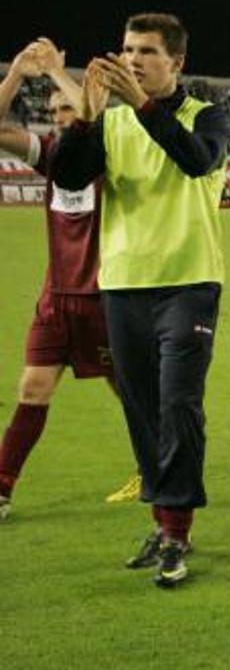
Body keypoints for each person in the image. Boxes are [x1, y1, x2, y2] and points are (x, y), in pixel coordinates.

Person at [43, 13, 230, 588]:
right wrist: (86, 119)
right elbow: (67, 177)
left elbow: (196, 160)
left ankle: (176, 531)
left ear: (176, 62)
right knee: (143, 409)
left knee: (178, 405)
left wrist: (143, 107)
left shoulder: (208, 115)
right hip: (123, 283)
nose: (132, 60)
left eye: (146, 51)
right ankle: (165, 524)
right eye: (127, 50)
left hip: (189, 281)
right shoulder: (112, 121)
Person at [0, 41, 139, 518]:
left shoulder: (114, 154)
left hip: (105, 299)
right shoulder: (51, 156)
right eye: (54, 110)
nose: (59, 116)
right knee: (33, 388)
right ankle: (2, 489)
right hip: (55, 300)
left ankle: (156, 469)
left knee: (131, 393)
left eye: (67, 107)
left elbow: (92, 118)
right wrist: (17, 75)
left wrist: (60, 73)